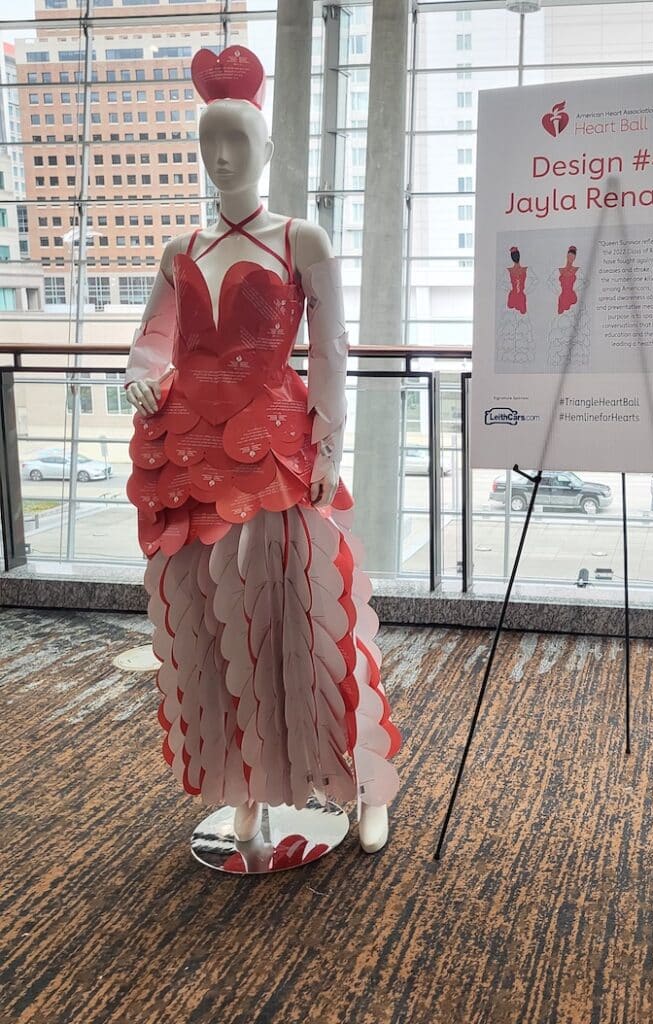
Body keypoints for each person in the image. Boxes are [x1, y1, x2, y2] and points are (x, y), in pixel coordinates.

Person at [124, 46, 401, 854]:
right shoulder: (182, 251)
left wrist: (331, 442)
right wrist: (144, 374)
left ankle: (358, 780)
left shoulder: (299, 240)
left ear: (266, 150)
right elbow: (154, 337)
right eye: (210, 140)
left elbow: (333, 347)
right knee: (213, 623)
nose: (221, 156)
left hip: (277, 449)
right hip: (190, 449)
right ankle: (242, 785)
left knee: (306, 615)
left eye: (237, 139)